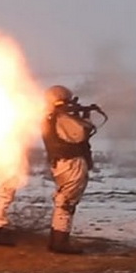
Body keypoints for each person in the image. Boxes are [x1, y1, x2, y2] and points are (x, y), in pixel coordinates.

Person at [41, 85, 102, 254]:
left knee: (64, 199)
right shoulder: (61, 117)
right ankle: (60, 242)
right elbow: (80, 134)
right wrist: (83, 118)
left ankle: (57, 240)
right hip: (71, 162)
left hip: (61, 163)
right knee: (67, 202)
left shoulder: (51, 116)